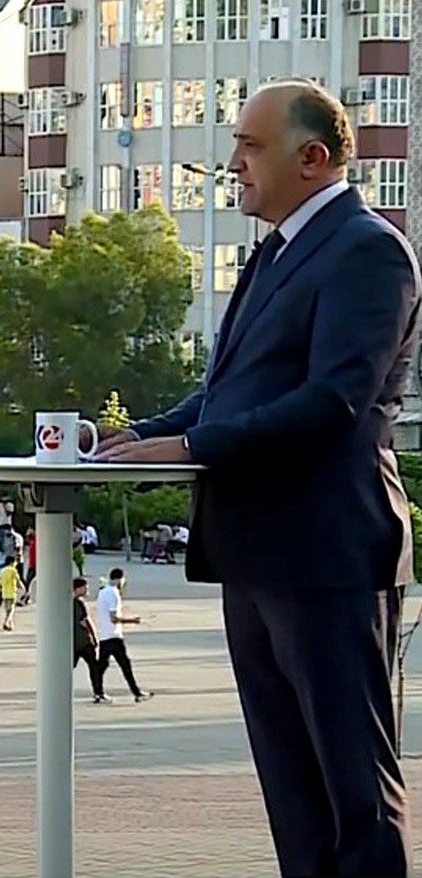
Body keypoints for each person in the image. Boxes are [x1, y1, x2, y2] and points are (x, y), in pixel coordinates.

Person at [97, 82, 415, 875]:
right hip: (258, 553)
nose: (232, 164)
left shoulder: (366, 249)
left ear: (312, 158)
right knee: (291, 792)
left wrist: (191, 447)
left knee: (355, 797)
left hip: (327, 553)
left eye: (249, 147)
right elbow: (236, 386)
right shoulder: (279, 249)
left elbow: (331, 401)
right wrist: (145, 434)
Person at [93, 569, 152, 704]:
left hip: (104, 635)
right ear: (120, 579)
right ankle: (137, 693)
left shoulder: (102, 592)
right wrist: (133, 621)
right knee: (125, 665)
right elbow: (114, 618)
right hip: (114, 636)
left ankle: (98, 692)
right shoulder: (114, 594)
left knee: (102, 665)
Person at [72, 577, 104, 701]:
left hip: (72, 642)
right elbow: (85, 621)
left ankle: (57, 690)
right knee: (94, 668)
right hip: (84, 642)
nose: (87, 589)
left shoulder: (67, 602)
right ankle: (98, 693)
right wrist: (94, 637)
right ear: (78, 588)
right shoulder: (79, 602)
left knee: (67, 668)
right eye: (85, 587)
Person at [0, 551, 23, 631]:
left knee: (7, 610)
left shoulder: (2, 571)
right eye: (15, 561)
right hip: (12, 592)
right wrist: (23, 588)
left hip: (4, 593)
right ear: (11, 562)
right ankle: (6, 622)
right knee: (12, 609)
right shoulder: (13, 570)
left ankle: (10, 625)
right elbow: (18, 581)